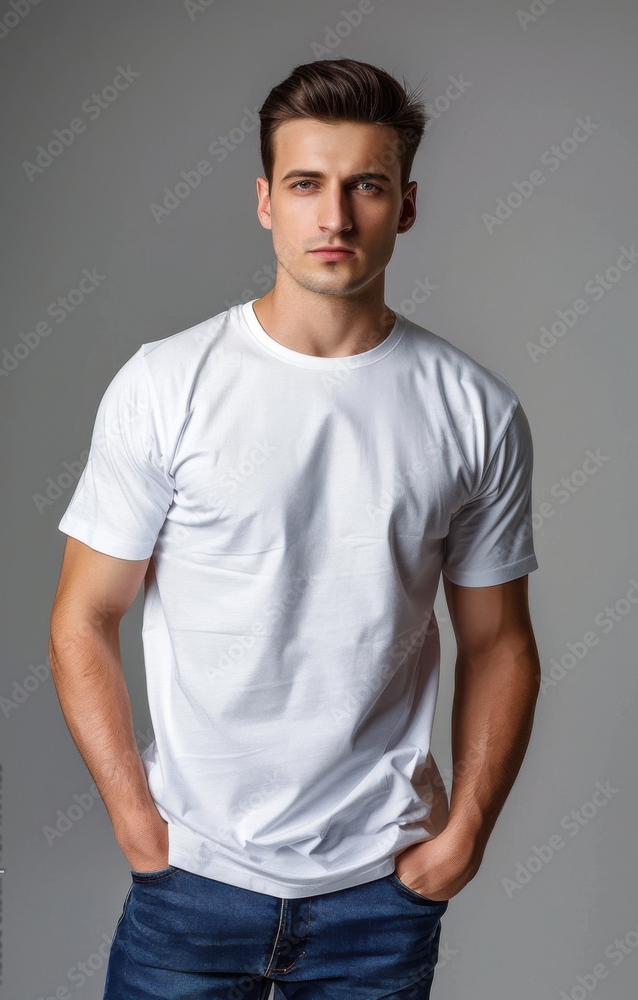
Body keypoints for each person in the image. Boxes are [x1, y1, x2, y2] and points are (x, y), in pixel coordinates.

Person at [49, 57, 541, 1000]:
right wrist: (135, 823)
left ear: (404, 205)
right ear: (265, 201)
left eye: (366, 185)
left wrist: (465, 835)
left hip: (378, 894)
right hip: (190, 881)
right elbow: (82, 619)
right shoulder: (165, 384)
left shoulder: (474, 410)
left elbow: (498, 641)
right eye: (307, 184)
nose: (336, 216)